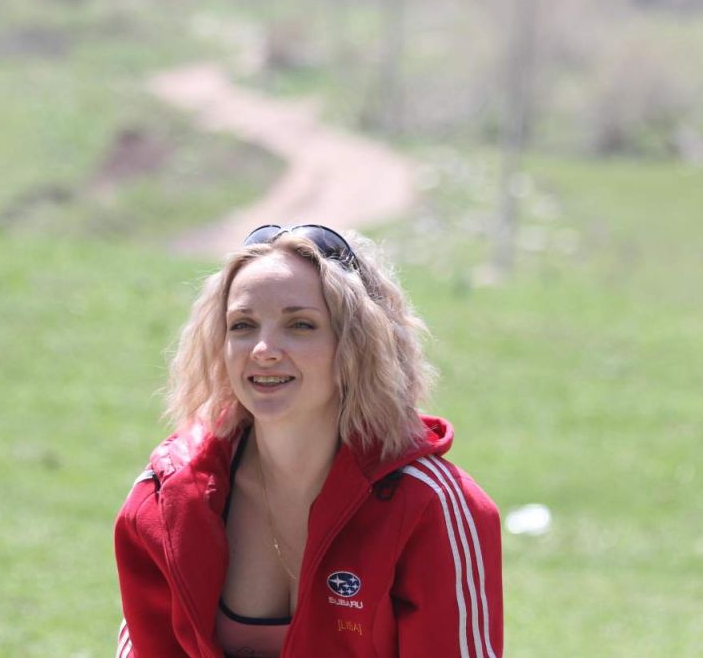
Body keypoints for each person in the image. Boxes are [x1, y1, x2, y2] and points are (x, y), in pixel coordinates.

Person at [114, 224, 503, 658]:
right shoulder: (168, 496)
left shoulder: (431, 504)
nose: (263, 349)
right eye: (242, 325)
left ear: (358, 345)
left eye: (300, 325)